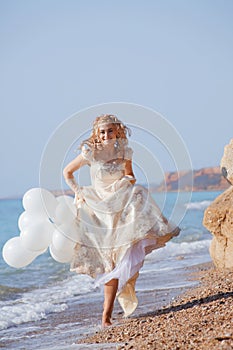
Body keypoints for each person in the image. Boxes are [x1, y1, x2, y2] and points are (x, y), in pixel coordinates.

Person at [63, 114, 180, 327]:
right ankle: (106, 316)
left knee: (121, 257)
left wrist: (124, 182)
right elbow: (67, 172)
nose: (106, 134)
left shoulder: (125, 151)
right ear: (96, 134)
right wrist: (78, 191)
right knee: (108, 263)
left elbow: (131, 175)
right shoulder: (90, 153)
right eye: (102, 131)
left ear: (117, 131)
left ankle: (106, 315)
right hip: (98, 209)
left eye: (110, 130)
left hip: (121, 206)